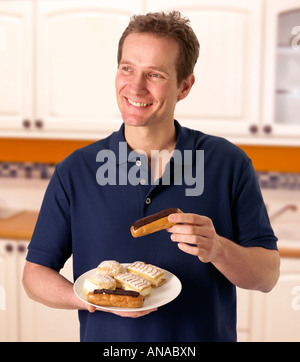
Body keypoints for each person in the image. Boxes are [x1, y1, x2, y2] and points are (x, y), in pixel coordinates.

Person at [23, 11, 280, 342]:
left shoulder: (227, 164)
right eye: (127, 68)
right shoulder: (76, 170)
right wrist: (90, 298)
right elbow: (34, 275)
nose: (136, 86)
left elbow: (268, 276)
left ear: (184, 85)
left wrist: (217, 249)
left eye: (155, 74)